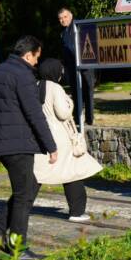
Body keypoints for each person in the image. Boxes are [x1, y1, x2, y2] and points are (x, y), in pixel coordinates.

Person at [0, 35, 58, 260]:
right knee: (25, 195)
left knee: (29, 186)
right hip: (18, 143)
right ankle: (17, 247)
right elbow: (34, 114)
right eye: (36, 57)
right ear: (28, 55)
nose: (37, 62)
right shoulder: (23, 75)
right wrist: (51, 145)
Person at [32, 58, 103, 221]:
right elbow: (63, 113)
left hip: (41, 135)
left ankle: (22, 206)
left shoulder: (35, 86)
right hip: (59, 136)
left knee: (38, 174)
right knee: (73, 174)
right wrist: (70, 103)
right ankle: (77, 211)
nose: (62, 74)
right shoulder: (55, 88)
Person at [58, 7, 95, 126]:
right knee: (75, 93)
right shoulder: (63, 33)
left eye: (65, 17)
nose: (63, 20)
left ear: (71, 16)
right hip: (72, 68)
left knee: (88, 92)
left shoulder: (79, 27)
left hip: (85, 66)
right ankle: (78, 119)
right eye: (60, 19)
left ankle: (89, 120)